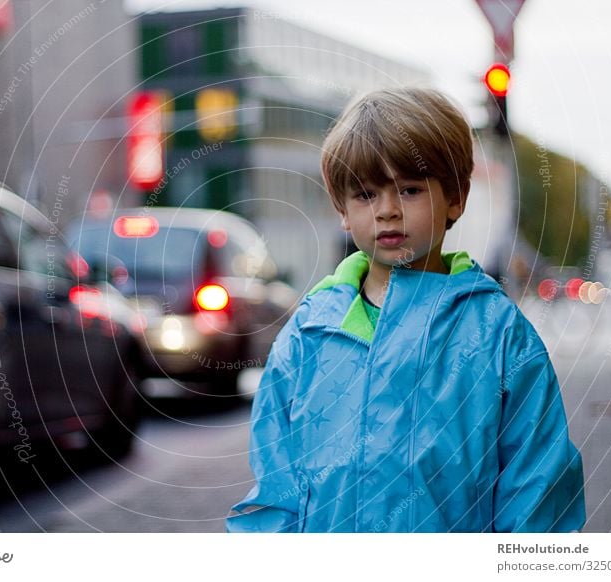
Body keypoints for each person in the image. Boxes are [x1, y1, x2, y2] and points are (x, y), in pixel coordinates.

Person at [226, 87, 585, 533]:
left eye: (410, 190)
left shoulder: (498, 335)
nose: (387, 211)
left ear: (455, 197)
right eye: (365, 194)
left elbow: (537, 494)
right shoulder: (308, 333)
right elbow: (275, 493)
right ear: (341, 208)